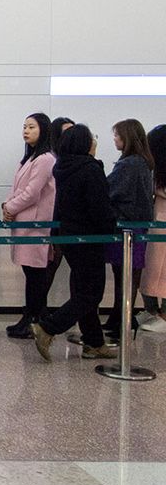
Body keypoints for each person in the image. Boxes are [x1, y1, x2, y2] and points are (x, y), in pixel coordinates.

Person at [33, 124, 119, 361]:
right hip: (90, 238)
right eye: (92, 138)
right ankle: (48, 327)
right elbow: (99, 208)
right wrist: (111, 227)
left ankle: (94, 342)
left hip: (69, 237)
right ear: (85, 143)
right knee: (91, 293)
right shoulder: (90, 168)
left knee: (83, 290)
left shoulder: (63, 167)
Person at [2, 113, 58, 339]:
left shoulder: (46, 158)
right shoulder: (29, 158)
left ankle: (34, 320)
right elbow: (17, 188)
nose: (26, 130)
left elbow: (32, 193)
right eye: (24, 126)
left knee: (36, 276)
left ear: (43, 130)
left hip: (36, 225)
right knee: (31, 275)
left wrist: (10, 207)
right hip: (23, 222)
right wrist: (8, 205)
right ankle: (29, 318)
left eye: (32, 127)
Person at [103, 118, 155, 341]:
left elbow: (110, 190)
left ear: (127, 137)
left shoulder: (129, 164)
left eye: (117, 135)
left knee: (125, 274)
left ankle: (123, 319)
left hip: (125, 227)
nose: (114, 139)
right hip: (137, 227)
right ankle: (120, 317)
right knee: (127, 273)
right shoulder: (142, 162)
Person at [139, 124, 166, 334]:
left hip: (161, 225)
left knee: (162, 272)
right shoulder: (154, 169)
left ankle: (164, 315)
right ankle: (152, 311)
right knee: (150, 270)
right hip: (155, 225)